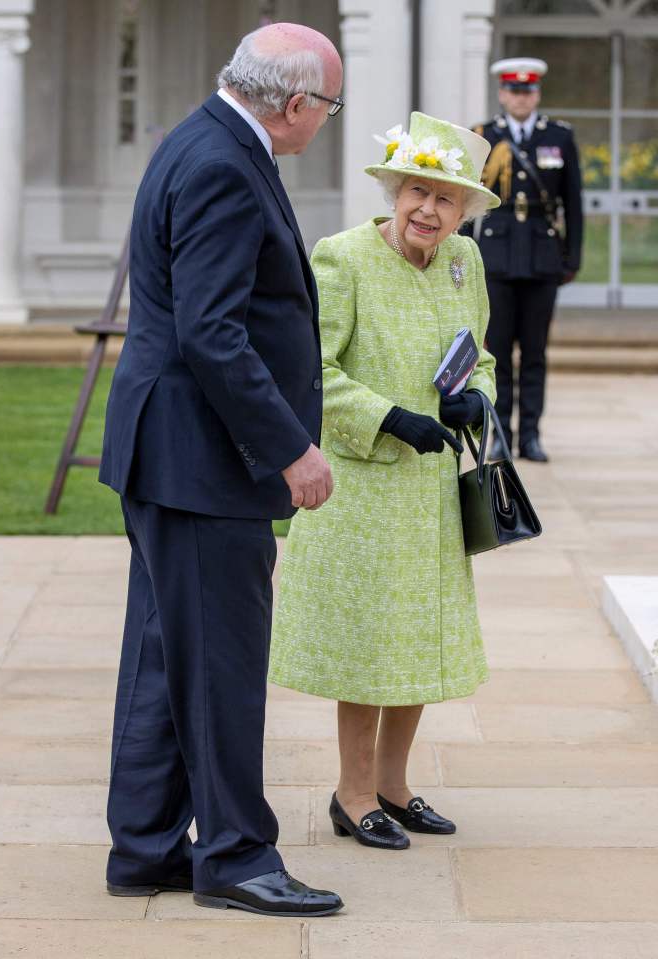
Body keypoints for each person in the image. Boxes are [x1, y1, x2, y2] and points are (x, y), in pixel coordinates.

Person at [98, 23, 344, 917]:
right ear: (292, 103)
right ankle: (237, 856)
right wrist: (290, 447)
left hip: (172, 454)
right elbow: (212, 331)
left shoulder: (200, 137)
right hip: (199, 460)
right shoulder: (220, 163)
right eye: (326, 104)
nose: (324, 119)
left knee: (167, 661)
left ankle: (145, 847)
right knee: (222, 667)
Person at [268, 112, 499, 849]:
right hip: (363, 488)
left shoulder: (465, 260)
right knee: (368, 647)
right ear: (394, 190)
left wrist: (478, 397)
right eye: (416, 193)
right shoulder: (341, 258)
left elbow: (481, 355)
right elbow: (312, 371)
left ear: (463, 211)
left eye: (445, 200)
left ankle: (395, 788)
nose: (428, 212)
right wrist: (388, 416)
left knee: (418, 643)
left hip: (432, 494)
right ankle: (352, 791)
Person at [461, 57, 583, 462]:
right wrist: (459, 255)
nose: (520, 97)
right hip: (495, 256)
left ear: (537, 94)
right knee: (495, 354)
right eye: (513, 90)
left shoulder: (559, 137)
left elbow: (574, 204)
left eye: (527, 91)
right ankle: (500, 433)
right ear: (502, 94)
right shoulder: (484, 136)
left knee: (534, 353)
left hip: (542, 257)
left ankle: (531, 434)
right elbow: (468, 199)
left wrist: (572, 257)